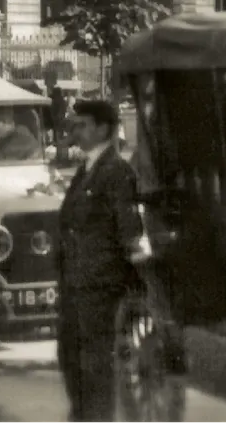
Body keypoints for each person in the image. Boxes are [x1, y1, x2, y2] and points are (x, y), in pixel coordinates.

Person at [56, 99, 148, 424]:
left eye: (82, 125)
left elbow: (129, 231)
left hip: (100, 286)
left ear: (103, 129)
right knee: (70, 359)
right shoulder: (87, 170)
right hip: (76, 284)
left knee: (93, 367)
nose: (75, 131)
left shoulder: (117, 173)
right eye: (75, 125)